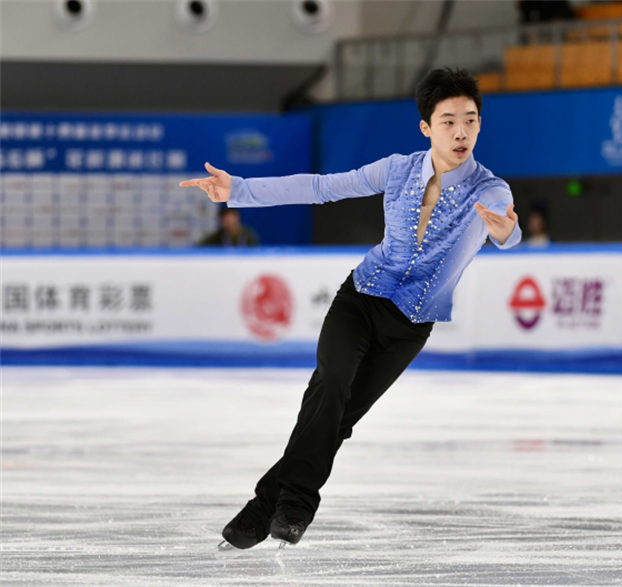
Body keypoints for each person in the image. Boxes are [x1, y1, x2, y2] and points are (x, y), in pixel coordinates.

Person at [179, 67, 522, 549]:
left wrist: (507, 233)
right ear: (426, 127)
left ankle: (260, 511)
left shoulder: (490, 190)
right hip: (360, 298)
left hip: (410, 326)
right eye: (448, 121)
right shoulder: (397, 169)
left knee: (339, 418)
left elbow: (507, 226)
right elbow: (321, 187)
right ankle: (295, 507)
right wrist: (239, 190)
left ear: (480, 124)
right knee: (332, 382)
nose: (461, 132)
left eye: (470, 120)